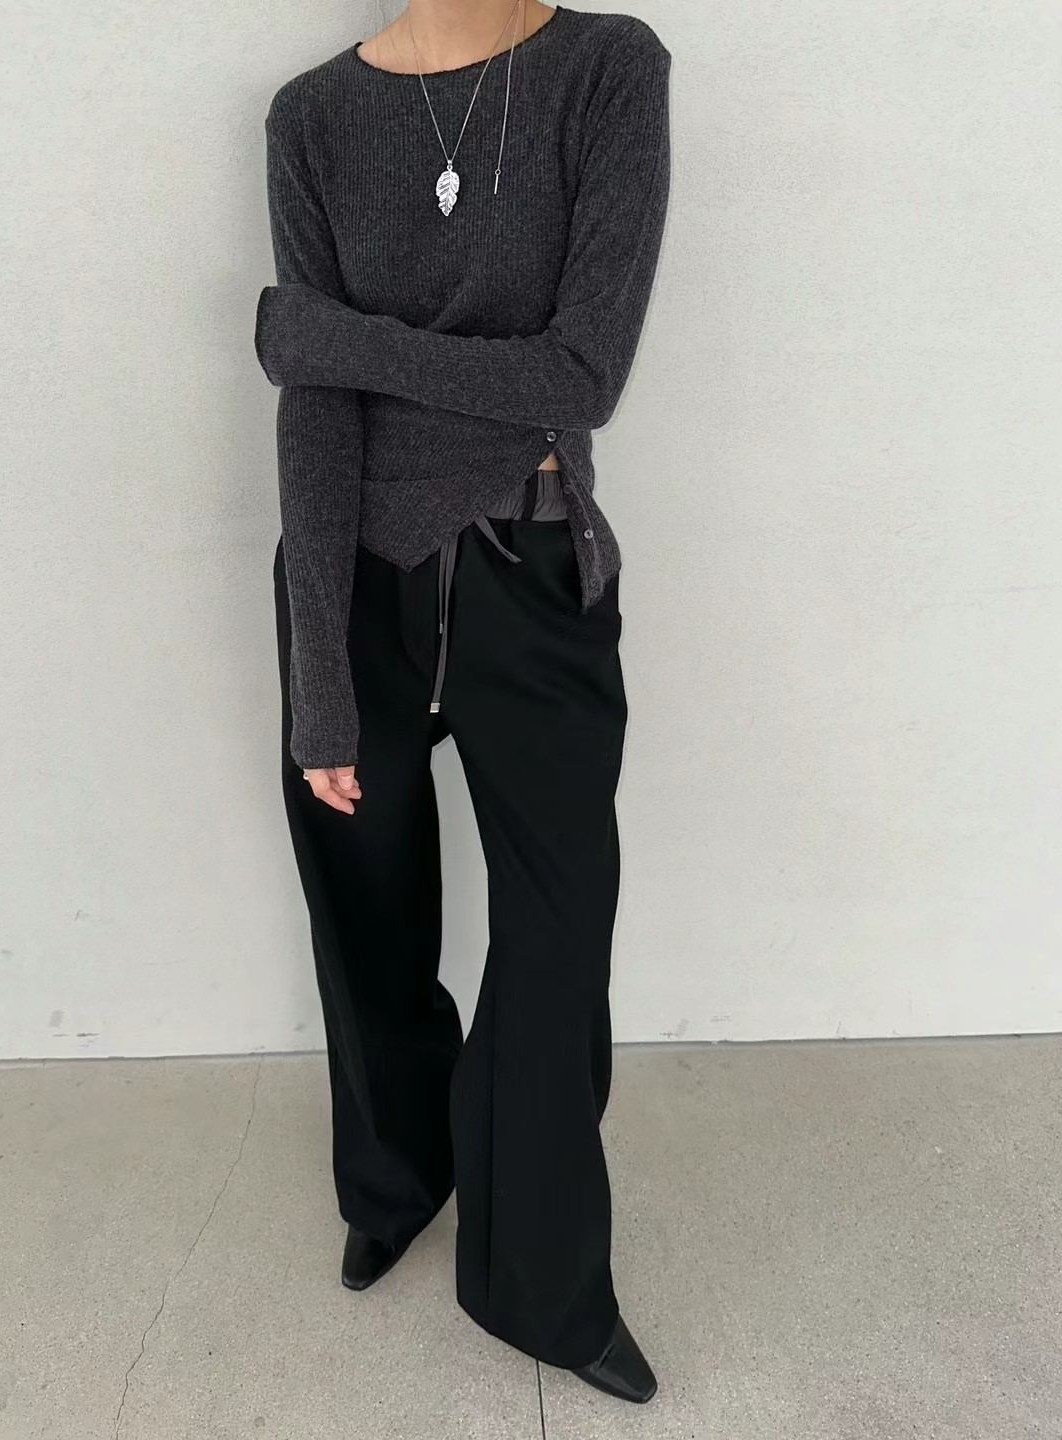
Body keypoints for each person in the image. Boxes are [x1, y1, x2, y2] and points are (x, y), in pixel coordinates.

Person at [255, 0, 672, 1405]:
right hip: (347, 577)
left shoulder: (607, 70)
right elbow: (313, 411)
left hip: (527, 565)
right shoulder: (312, 117)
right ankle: (398, 1179)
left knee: (557, 934)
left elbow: (582, 375)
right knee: (364, 911)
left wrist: (327, 336)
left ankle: (539, 1282)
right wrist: (322, 682)